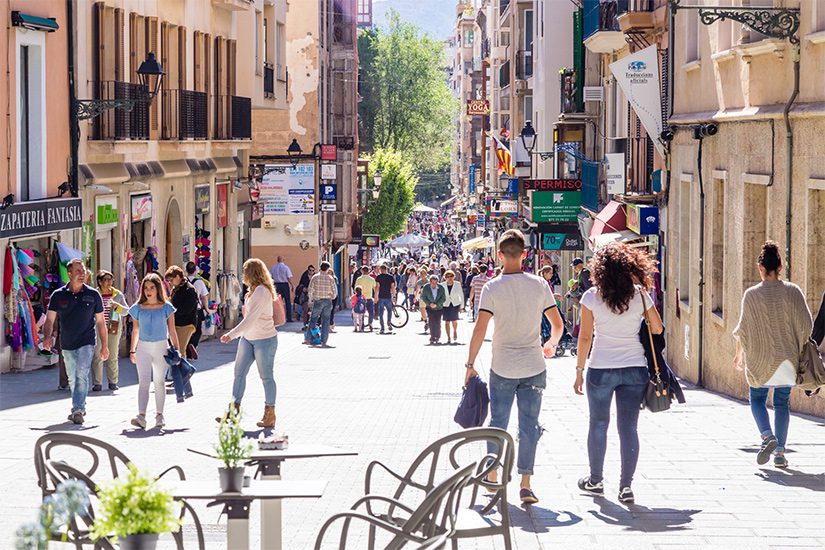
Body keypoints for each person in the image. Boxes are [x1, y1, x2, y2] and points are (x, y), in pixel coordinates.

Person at [464, 230, 563, 505]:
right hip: (533, 365)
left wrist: (470, 364)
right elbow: (558, 325)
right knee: (529, 426)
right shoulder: (539, 285)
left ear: (499, 255)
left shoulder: (492, 288)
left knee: (498, 423)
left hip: (503, 366)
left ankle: (493, 476)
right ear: (524, 254)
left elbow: (479, 328)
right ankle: (526, 484)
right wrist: (551, 345)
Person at [572, 243, 662, 504]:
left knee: (598, 424)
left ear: (599, 271)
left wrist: (579, 370)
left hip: (600, 367)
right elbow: (657, 328)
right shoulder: (640, 295)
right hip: (634, 368)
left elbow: (586, 336)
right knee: (628, 427)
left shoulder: (591, 296)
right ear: (628, 269)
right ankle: (626, 487)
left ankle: (596, 480)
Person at [732, 241, 812, 469]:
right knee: (782, 403)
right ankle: (779, 453)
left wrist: (739, 355)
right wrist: (795, 346)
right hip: (788, 359)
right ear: (780, 267)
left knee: (756, 399)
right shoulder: (793, 291)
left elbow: (743, 330)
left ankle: (768, 436)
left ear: (760, 268)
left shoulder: (751, 295)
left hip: (760, 360)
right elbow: (806, 325)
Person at [43, 259, 108, 425]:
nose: (82, 274)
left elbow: (101, 322)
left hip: (87, 340)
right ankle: (77, 406)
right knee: (72, 377)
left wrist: (105, 346)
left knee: (81, 371)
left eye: (83, 270)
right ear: (69, 274)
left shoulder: (93, 295)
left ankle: (78, 409)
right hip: (67, 342)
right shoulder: (58, 295)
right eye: (78, 271)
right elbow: (50, 320)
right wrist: (47, 337)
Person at [218, 259, 280, 428]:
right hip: (248, 338)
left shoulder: (261, 292)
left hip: (265, 340)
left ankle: (270, 414)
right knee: (239, 373)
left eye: (245, 271)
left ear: (251, 273)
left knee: (266, 376)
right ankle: (233, 412)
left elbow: (250, 320)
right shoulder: (251, 292)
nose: (242, 274)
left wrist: (231, 335)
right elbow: (248, 318)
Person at [128, 273, 180, 430]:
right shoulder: (137, 308)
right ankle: (141, 416)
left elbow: (172, 331)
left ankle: (159, 415)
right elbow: (135, 330)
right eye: (145, 288)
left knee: (159, 382)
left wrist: (177, 351)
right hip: (143, 348)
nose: (148, 291)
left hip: (161, 347)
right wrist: (132, 350)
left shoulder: (166, 307)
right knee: (143, 382)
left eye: (151, 288)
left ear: (158, 289)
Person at [165, 265, 198, 401]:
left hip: (186, 324)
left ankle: (183, 377)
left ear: (178, 277)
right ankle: (182, 381)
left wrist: (173, 312)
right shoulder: (176, 289)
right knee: (177, 351)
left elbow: (187, 308)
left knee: (180, 351)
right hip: (177, 324)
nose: (170, 283)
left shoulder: (189, 289)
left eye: (171, 280)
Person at [91, 270, 128, 392]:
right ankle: (97, 382)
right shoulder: (95, 294)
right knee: (97, 354)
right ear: (100, 282)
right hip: (98, 327)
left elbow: (126, 311)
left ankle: (113, 381)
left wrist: (118, 306)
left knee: (112, 354)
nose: (108, 282)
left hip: (114, 327)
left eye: (110, 279)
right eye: (105, 280)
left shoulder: (118, 295)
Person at [305, 261, 338, 347]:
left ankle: (308, 339)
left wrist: (310, 299)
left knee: (313, 319)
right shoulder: (330, 278)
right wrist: (332, 297)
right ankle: (324, 341)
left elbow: (310, 289)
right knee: (326, 321)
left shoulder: (315, 277)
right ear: (327, 269)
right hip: (327, 301)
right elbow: (334, 291)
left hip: (318, 300)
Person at [185, 261, 210, 359]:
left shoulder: (183, 281)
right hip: (196, 310)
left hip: (184, 310)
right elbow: (204, 297)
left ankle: (186, 347)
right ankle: (193, 346)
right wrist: (207, 308)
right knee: (197, 330)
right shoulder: (199, 282)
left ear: (186, 270)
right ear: (195, 270)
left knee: (185, 329)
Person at [421, 274, 446, 345]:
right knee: (431, 322)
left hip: (439, 308)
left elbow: (443, 298)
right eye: (432, 283)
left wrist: (437, 304)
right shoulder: (426, 287)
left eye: (435, 283)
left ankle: (437, 336)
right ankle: (432, 337)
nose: (434, 284)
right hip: (430, 308)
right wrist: (429, 303)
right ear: (430, 282)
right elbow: (423, 297)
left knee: (437, 322)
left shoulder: (441, 288)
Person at [441, 270, 464, 344]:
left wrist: (462, 306)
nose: (449, 278)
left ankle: (454, 331)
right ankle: (448, 337)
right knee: (447, 322)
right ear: (445, 277)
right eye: (447, 276)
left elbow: (461, 295)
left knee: (454, 320)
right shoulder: (442, 285)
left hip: (455, 304)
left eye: (451, 276)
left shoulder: (457, 284)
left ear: (454, 277)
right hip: (446, 304)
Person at [270, 256, 294, 323]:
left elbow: (270, 277)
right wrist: (292, 285)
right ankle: (289, 318)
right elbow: (289, 277)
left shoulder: (273, 268)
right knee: (287, 301)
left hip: (277, 285)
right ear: (283, 260)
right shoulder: (286, 267)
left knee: (277, 302)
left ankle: (277, 317)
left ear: (277, 260)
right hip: (284, 285)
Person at [374, 264, 396, 334]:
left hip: (381, 296)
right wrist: (394, 296)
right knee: (389, 311)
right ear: (387, 269)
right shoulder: (391, 277)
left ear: (381, 270)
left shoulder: (378, 277)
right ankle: (389, 322)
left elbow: (377, 287)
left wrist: (375, 296)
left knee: (381, 313)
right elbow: (393, 287)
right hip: (388, 296)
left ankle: (382, 328)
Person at [354, 266, 377, 331]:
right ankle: (370, 323)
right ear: (368, 271)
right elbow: (375, 288)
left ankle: (362, 325)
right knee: (371, 312)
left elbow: (356, 288)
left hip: (361, 298)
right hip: (369, 297)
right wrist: (375, 297)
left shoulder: (359, 279)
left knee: (362, 312)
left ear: (362, 271)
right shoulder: (371, 279)